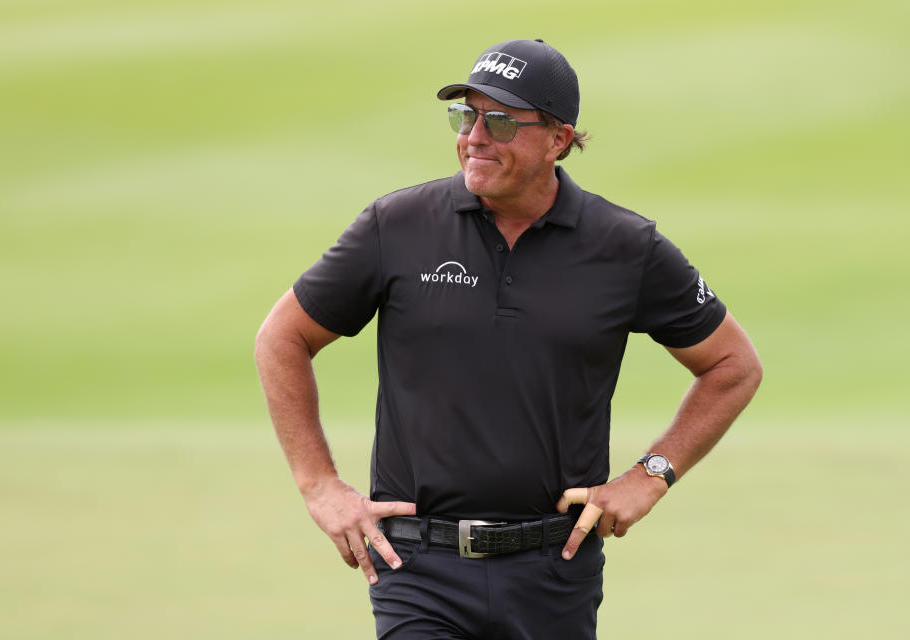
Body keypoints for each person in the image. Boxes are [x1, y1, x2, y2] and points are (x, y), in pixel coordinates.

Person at [255, 38, 762, 640]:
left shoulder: (626, 247)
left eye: (499, 121)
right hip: (419, 568)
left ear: (558, 139)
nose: (474, 136)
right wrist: (319, 486)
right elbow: (282, 336)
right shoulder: (397, 226)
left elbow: (733, 364)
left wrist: (651, 474)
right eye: (466, 116)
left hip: (554, 571)